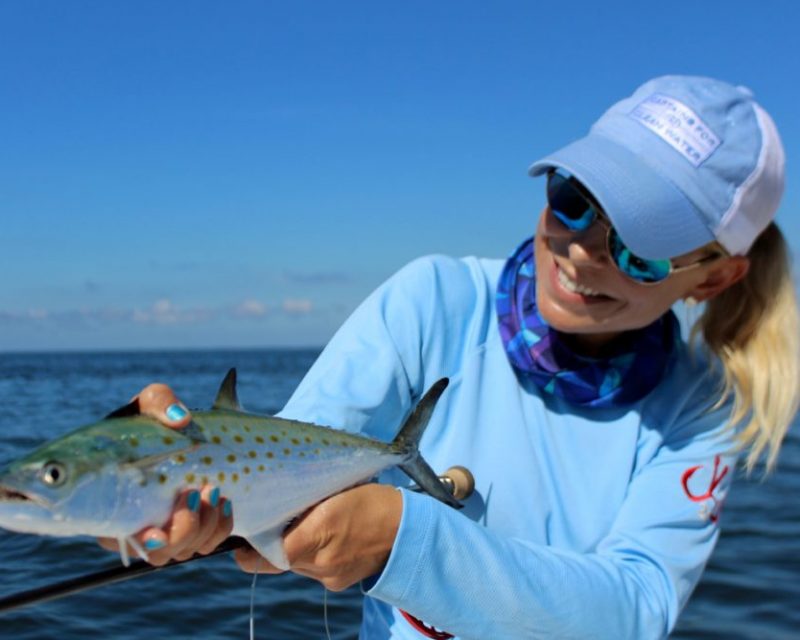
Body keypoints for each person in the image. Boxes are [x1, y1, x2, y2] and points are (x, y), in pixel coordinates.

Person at [99, 75, 798, 638]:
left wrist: (405, 542)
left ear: (712, 278)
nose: (584, 250)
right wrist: (160, 470)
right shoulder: (433, 300)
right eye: (575, 200)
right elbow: (290, 459)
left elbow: (634, 611)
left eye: (640, 247)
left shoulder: (700, 409)